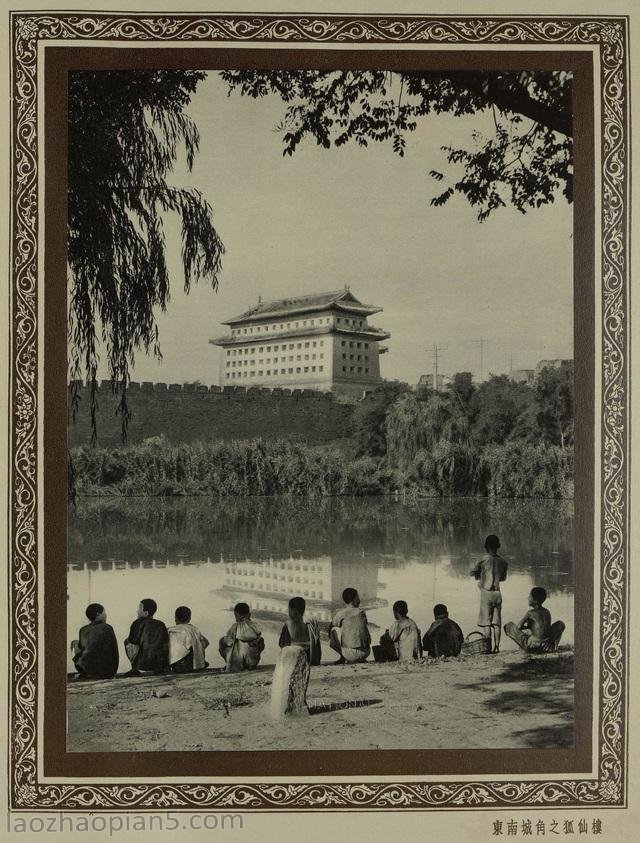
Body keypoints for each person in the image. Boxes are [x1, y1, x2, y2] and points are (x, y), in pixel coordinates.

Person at [470, 534, 509, 653]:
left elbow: (472, 572)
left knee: (487, 623)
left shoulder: (483, 559)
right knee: (496, 623)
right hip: (497, 593)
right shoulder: (503, 561)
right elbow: (503, 578)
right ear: (498, 546)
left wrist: (479, 574)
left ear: (486, 547)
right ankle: (497, 647)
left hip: (486, 593)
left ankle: (488, 647)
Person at [504, 587, 565, 653]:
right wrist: (531, 627)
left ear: (535, 601)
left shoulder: (530, 612)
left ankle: (525, 649)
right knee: (560, 624)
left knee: (509, 626)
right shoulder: (547, 611)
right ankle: (554, 646)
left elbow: (519, 626)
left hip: (533, 645)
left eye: (530, 597)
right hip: (546, 644)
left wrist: (527, 627)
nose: (528, 598)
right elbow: (545, 628)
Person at [71, 603, 119, 679]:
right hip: (108, 672)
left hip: (87, 670)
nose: (106, 615)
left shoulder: (83, 630)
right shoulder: (108, 628)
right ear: (98, 614)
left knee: (76, 643)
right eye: (104, 613)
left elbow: (82, 649)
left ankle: (85, 673)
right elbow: (114, 651)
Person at [123, 598, 170, 675]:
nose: (137, 611)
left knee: (127, 641)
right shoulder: (161, 624)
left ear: (146, 613)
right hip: (159, 664)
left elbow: (132, 640)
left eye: (139, 609)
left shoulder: (138, 622)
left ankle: (135, 668)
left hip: (142, 664)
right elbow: (165, 642)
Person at [218, 602, 265, 672]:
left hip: (237, 661)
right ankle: (250, 664)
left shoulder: (235, 626)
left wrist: (223, 641)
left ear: (236, 615)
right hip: (252, 661)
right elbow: (259, 640)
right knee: (260, 641)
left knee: (223, 641)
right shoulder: (255, 625)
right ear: (249, 614)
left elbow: (229, 642)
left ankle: (230, 663)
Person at [329, 587, 371, 664]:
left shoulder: (341, 613)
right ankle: (359, 658)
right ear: (354, 599)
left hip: (349, 654)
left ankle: (342, 657)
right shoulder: (362, 612)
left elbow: (331, 625)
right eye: (358, 597)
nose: (359, 599)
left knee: (333, 631)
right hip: (366, 652)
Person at [278, 596, 322, 665]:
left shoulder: (288, 624)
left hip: (296, 658)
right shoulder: (311, 622)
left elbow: (282, 644)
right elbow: (317, 643)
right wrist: (317, 660)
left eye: (289, 609)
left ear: (295, 611)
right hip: (310, 657)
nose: (288, 612)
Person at [167, 606, 210, 673]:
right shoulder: (194, 629)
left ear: (175, 618)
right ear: (189, 618)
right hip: (198, 665)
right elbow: (206, 642)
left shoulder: (172, 630)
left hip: (182, 666)